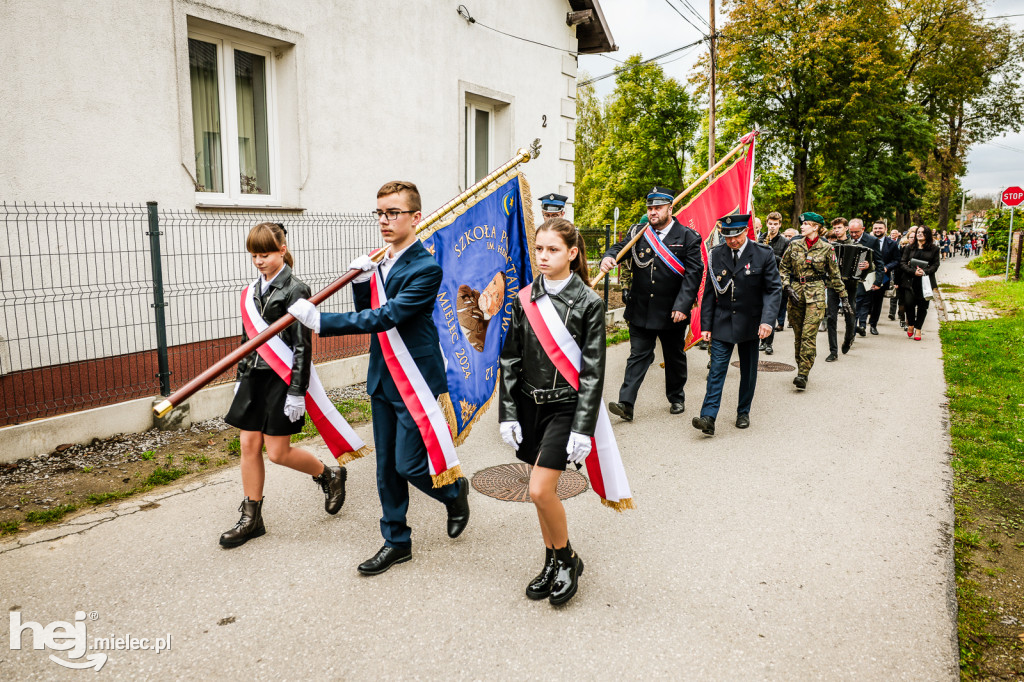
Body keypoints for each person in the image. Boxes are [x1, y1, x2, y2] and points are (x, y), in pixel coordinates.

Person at [288, 181, 470, 575]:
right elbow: (371, 316)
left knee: (410, 464)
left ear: (415, 217)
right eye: (380, 213)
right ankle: (396, 541)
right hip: (383, 376)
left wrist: (321, 320)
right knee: (386, 466)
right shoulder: (380, 261)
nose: (384, 221)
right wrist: (359, 283)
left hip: (415, 379)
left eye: (393, 213)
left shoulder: (426, 267)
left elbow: (388, 317)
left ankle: (455, 492)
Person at [498, 217, 605, 606]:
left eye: (553, 249)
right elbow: (510, 360)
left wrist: (583, 427)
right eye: (539, 249)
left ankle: (568, 560)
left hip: (566, 408)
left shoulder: (589, 303)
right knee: (540, 495)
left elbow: (592, 371)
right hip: (529, 407)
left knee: (540, 489)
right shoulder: (524, 298)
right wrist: (507, 412)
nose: (543, 256)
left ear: (573, 253)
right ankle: (551, 560)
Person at [219, 222, 346, 549]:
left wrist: (296, 391)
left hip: (281, 378)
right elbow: (247, 341)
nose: (259, 261)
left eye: (265, 254)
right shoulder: (251, 292)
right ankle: (252, 518)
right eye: (253, 255)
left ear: (282, 250)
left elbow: (302, 345)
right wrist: (239, 378)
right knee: (248, 445)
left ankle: (329, 475)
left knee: (277, 453)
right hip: (254, 377)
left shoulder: (296, 289)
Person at [599, 186, 703, 421]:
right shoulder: (639, 231)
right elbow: (621, 249)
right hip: (641, 309)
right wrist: (608, 256)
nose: (653, 212)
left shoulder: (687, 236)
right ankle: (626, 403)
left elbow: (694, 274)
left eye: (658, 207)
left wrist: (683, 305)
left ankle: (676, 397)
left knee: (674, 356)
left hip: (671, 311)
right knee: (639, 355)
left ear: (670, 208)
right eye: (650, 208)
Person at [692, 214, 781, 435]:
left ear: (746, 232)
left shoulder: (763, 254)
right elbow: (710, 293)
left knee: (748, 371)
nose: (732, 241)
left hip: (751, 323)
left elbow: (773, 290)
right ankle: (708, 417)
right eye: (727, 236)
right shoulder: (716, 254)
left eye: (736, 236)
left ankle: (743, 411)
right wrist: (706, 325)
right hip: (722, 321)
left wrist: (768, 321)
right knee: (716, 370)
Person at [779, 212, 848, 389]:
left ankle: (803, 373)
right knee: (798, 335)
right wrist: (786, 287)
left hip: (816, 295)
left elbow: (835, 275)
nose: (801, 227)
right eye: (802, 224)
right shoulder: (794, 245)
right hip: (795, 292)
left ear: (815, 227)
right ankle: (800, 366)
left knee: (808, 335)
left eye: (805, 224)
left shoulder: (827, 248)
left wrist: (844, 298)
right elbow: (783, 269)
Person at [823, 218, 859, 361]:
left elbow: (870, 265)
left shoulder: (857, 246)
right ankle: (833, 351)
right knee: (831, 316)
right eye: (835, 228)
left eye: (839, 227)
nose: (837, 230)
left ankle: (849, 338)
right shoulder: (829, 246)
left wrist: (866, 265)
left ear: (846, 229)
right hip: (832, 285)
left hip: (850, 285)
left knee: (850, 314)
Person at [900, 225, 941, 341]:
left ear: (928, 235)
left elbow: (935, 265)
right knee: (909, 304)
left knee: (923, 306)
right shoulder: (909, 248)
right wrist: (913, 272)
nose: (919, 234)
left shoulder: (934, 249)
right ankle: (911, 324)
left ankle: (918, 329)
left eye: (923, 232)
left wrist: (924, 272)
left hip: (926, 282)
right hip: (910, 280)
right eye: (918, 232)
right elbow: (902, 263)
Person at [758, 211, 789, 351]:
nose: (772, 227)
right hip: (759, 280)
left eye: (775, 224)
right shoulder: (761, 239)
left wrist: (770, 253)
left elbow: (786, 263)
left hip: (776, 280)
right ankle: (762, 341)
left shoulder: (785, 242)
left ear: (780, 225)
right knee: (759, 312)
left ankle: (769, 344)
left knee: (772, 312)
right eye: (770, 224)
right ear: (766, 224)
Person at [866, 220, 901, 334]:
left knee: (877, 301)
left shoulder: (892, 244)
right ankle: (861, 323)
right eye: (875, 228)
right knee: (865, 299)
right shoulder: (867, 241)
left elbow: (897, 260)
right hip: (867, 275)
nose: (877, 230)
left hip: (883, 276)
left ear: (885, 230)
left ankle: (873, 324)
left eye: (880, 228)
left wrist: (886, 267)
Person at [847, 218, 881, 336]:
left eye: (856, 232)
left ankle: (855, 329)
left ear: (863, 229)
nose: (853, 235)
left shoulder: (872, 241)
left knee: (860, 302)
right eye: (851, 232)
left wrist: (877, 279)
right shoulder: (846, 239)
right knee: (852, 304)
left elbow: (878, 261)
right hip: (847, 278)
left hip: (864, 278)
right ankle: (854, 327)